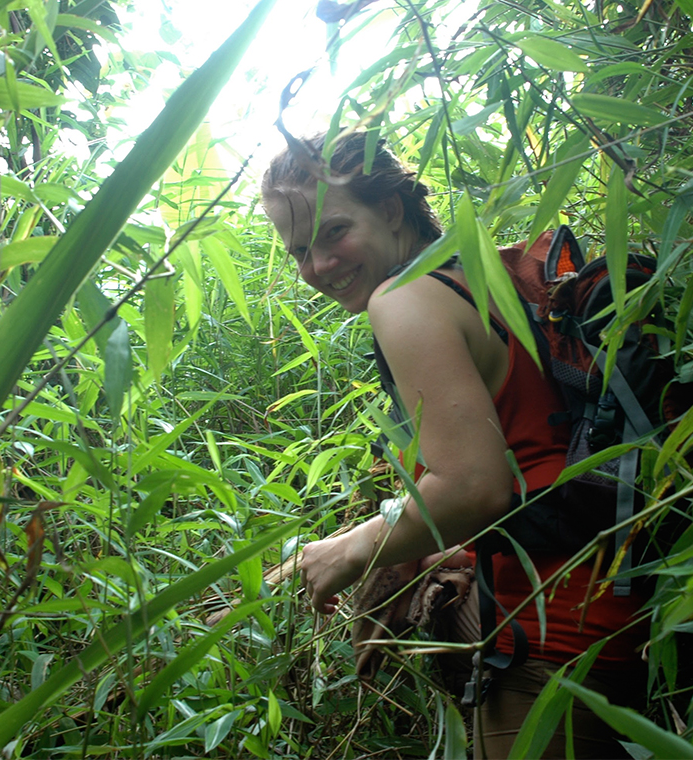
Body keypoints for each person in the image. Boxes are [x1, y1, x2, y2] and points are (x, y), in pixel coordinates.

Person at [261, 131, 648, 759]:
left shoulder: (404, 297)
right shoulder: (487, 271)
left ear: (390, 209)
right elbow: (529, 450)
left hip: (548, 630)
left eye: (334, 232)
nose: (319, 266)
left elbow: (474, 485)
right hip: (625, 598)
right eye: (300, 250)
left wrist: (345, 553)